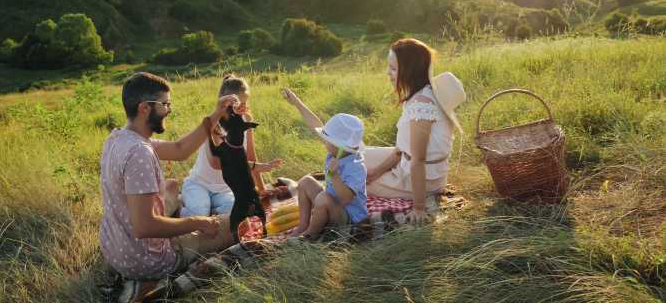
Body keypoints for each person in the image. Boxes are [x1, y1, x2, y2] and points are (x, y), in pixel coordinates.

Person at [99, 72, 237, 293]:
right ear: (145, 107)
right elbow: (145, 226)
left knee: (171, 186)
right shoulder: (139, 153)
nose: (169, 110)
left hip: (115, 249)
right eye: (165, 104)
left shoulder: (118, 138)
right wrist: (198, 221)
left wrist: (217, 114)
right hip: (146, 261)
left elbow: (180, 150)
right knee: (236, 221)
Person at [364, 38, 466, 225]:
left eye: (393, 68)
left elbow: (418, 160)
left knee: (350, 179)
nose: (388, 73)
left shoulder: (421, 105)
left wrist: (419, 207)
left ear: (409, 71)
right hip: (408, 163)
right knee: (357, 157)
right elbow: (402, 150)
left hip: (423, 179)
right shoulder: (419, 94)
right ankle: (372, 174)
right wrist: (377, 171)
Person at [180, 74, 283, 218]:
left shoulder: (246, 120)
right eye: (237, 104)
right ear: (224, 102)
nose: (242, 108)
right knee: (200, 212)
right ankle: (179, 204)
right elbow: (217, 162)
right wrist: (257, 166)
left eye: (245, 103)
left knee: (241, 210)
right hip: (199, 184)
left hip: (225, 189)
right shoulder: (213, 123)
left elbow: (251, 156)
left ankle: (213, 212)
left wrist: (260, 188)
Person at [281, 88, 368, 239]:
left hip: (348, 219)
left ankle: (310, 236)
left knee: (322, 197)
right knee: (305, 182)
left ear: (339, 145)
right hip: (330, 205)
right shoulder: (335, 151)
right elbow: (315, 125)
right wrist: (296, 102)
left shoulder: (356, 166)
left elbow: (347, 199)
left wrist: (334, 176)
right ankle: (303, 225)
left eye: (327, 140)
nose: (324, 142)